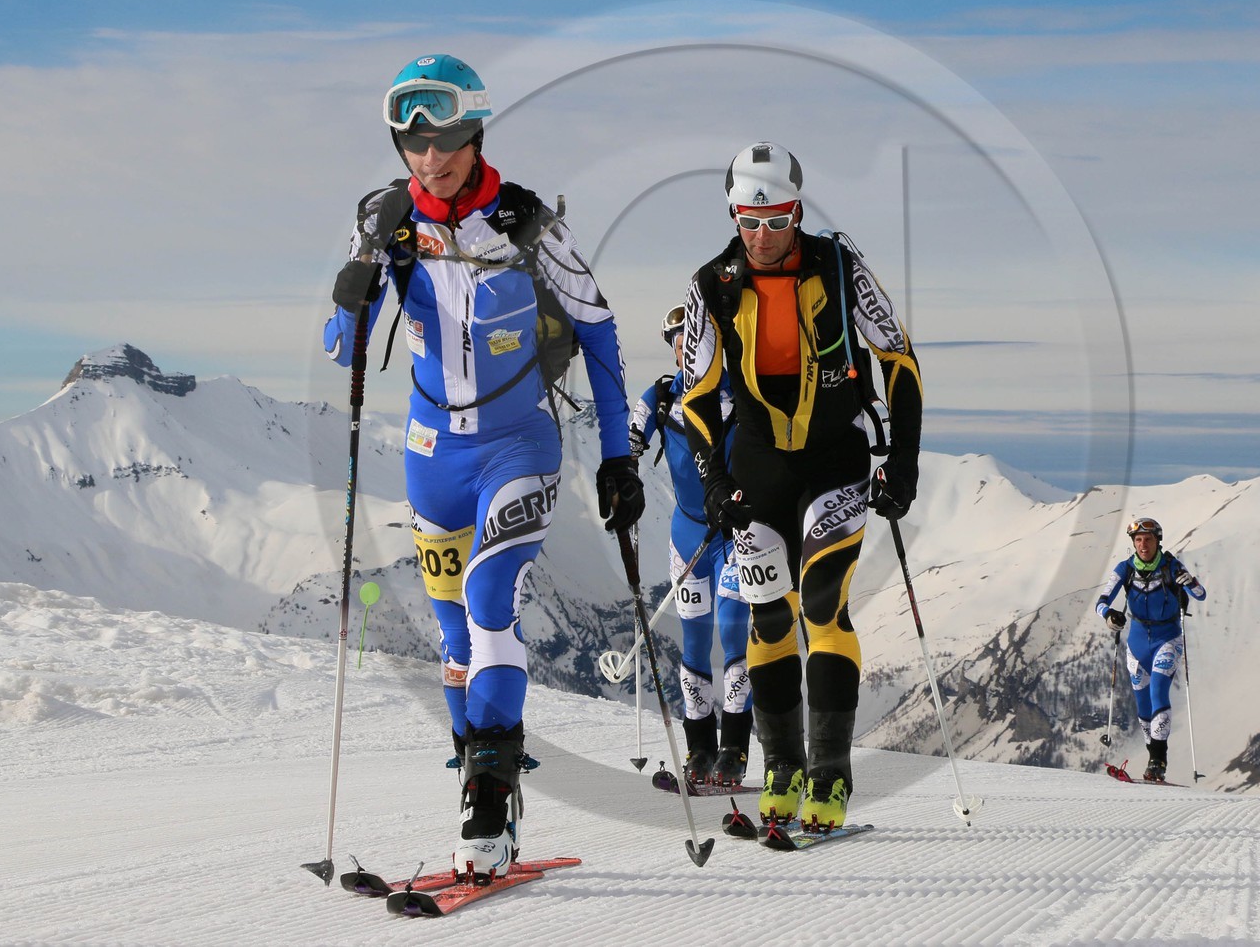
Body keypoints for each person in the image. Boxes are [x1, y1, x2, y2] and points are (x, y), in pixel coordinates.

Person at [323, 54, 643, 880]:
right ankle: (481, 777)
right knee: (455, 638)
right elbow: (341, 350)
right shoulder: (383, 216)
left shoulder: (530, 224)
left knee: (489, 600)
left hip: (519, 444)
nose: (428, 158)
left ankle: (488, 810)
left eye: (445, 138)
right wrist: (356, 288)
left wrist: (617, 458)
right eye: (411, 141)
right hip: (431, 454)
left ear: (475, 131)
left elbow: (600, 336)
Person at [679, 141, 923, 831]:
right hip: (757, 470)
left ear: (798, 210)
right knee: (767, 619)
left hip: (834, 462)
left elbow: (899, 362)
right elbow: (695, 395)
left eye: (777, 219)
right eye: (748, 221)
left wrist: (900, 462)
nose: (762, 236)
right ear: (732, 216)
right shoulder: (710, 284)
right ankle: (780, 767)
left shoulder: (840, 268)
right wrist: (715, 478)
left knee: (822, 606)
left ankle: (831, 775)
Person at [628, 305, 752, 786]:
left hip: (735, 534)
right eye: (679, 345)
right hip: (686, 536)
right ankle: (700, 750)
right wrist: (624, 470)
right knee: (696, 643)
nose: (686, 352)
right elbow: (630, 435)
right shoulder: (661, 397)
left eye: (694, 344)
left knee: (734, 633)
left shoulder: (737, 392)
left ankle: (735, 750)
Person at [1094, 517, 1208, 782]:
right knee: (1142, 704)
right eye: (1138, 540)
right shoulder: (1125, 568)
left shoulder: (1171, 566)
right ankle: (1152, 757)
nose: (1143, 545)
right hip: (1136, 643)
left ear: (1158, 540)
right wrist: (1109, 615)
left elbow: (1201, 594)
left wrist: (1188, 581)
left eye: (1148, 539)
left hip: (1167, 638)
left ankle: (1159, 760)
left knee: (1158, 691)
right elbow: (1101, 601)